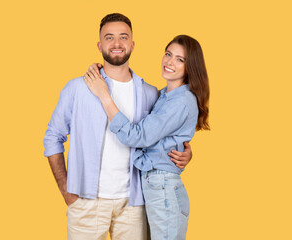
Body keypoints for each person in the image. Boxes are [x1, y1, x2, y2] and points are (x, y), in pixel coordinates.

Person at [43, 13, 193, 240]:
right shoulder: (77, 88)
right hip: (86, 202)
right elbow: (52, 137)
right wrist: (66, 190)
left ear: (132, 44)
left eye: (123, 37)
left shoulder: (150, 93)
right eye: (109, 37)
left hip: (133, 205)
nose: (116, 44)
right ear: (99, 44)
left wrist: (186, 151)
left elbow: (163, 130)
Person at [84, 34, 210, 240]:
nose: (170, 61)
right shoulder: (165, 97)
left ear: (191, 67)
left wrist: (104, 96)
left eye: (180, 59)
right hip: (156, 186)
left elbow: (138, 136)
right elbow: (165, 137)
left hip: (163, 187)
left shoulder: (180, 101)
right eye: (168, 54)